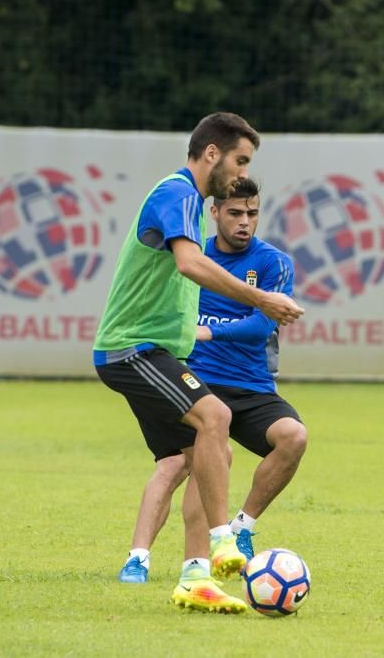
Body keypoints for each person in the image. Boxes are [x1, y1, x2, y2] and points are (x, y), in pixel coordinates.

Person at [93, 113, 304, 614]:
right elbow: (190, 264)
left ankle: (195, 579)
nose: (240, 174)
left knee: (206, 453)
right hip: (132, 348)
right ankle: (222, 542)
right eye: (240, 160)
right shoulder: (179, 194)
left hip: (160, 351)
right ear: (212, 153)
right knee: (216, 418)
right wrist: (261, 299)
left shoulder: (189, 202)